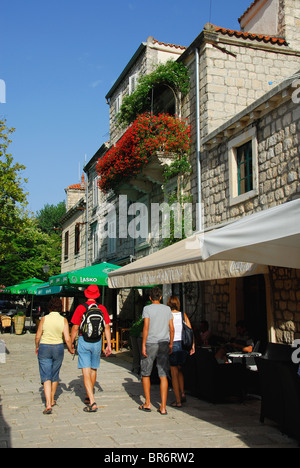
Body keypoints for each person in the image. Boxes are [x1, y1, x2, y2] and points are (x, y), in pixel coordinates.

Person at [71, 285, 112, 413]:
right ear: (97, 295)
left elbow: (75, 327)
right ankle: (89, 395)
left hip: (84, 340)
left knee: (85, 370)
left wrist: (71, 342)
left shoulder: (81, 308)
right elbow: (106, 327)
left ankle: (92, 401)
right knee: (94, 369)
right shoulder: (102, 308)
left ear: (86, 295)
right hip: (97, 341)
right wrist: (109, 344)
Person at [35, 297, 74, 415]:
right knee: (55, 374)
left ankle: (47, 404)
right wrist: (71, 349)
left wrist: (37, 346)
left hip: (45, 347)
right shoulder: (64, 320)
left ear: (50, 307)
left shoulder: (44, 319)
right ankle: (52, 399)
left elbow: (37, 336)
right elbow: (67, 338)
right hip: (58, 347)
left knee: (46, 375)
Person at [139, 287, 174, 415]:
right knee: (163, 374)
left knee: (146, 372)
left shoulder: (147, 309)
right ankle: (163, 407)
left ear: (150, 298)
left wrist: (143, 344)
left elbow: (146, 327)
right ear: (160, 297)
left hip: (150, 342)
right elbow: (171, 328)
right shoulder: (167, 309)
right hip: (164, 343)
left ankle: (147, 403)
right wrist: (171, 343)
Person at [167, 296, 195, 408]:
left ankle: (178, 401)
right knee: (180, 370)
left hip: (173, 344)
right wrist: (192, 345)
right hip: (183, 345)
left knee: (173, 373)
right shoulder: (183, 315)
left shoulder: (168, 316)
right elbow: (190, 329)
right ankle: (182, 393)